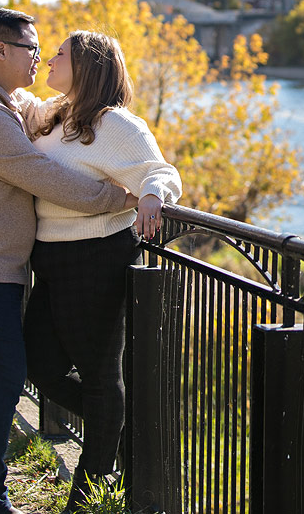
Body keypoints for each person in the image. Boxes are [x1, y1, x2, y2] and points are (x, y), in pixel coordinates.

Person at [0, 8, 137, 514]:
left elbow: (51, 116)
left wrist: (89, 110)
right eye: (31, 49)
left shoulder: (8, 102)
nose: (39, 57)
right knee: (1, 379)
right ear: (0, 51)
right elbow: (43, 174)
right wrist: (116, 198)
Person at [20, 30, 182, 512]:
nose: (48, 59)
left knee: (99, 375)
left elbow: (162, 171)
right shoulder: (56, 115)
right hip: (48, 259)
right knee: (39, 366)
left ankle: (88, 493)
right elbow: (20, 110)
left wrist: (152, 194)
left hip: (97, 259)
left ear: (87, 67)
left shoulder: (116, 125)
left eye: (60, 55)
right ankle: (117, 426)